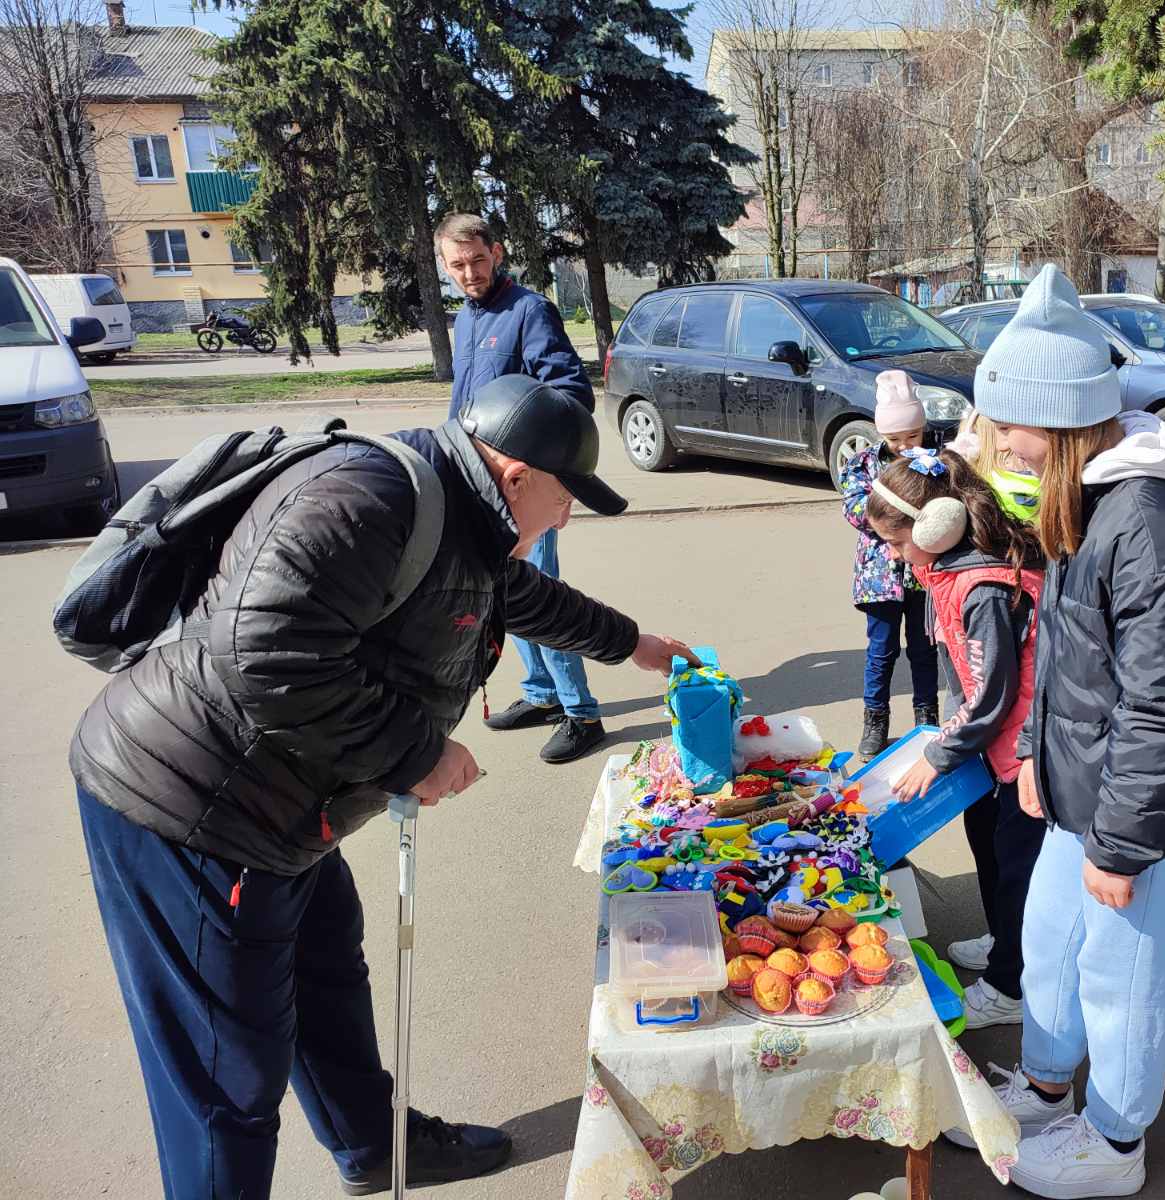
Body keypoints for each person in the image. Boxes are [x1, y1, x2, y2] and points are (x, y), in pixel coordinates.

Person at [71, 374, 698, 1199]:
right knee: (228, 1074)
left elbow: (514, 595)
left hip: (287, 803)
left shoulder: (461, 509)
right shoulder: (368, 498)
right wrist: (417, 755)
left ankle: (374, 1147)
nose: (565, 518)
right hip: (191, 805)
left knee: (328, 972)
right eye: (566, 499)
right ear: (516, 477)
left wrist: (635, 644)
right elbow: (265, 655)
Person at [954, 266, 1165, 1198]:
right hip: (1086, 789)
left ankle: (1116, 1142)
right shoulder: (1084, 506)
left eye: (1008, 429)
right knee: (1051, 939)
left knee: (1124, 976)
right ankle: (1047, 1088)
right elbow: (1068, 659)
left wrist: (1122, 847)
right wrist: (1038, 759)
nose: (998, 448)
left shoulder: (1151, 532)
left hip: (1159, 814)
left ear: (1059, 425)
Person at [866, 448, 1046, 1030]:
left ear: (935, 525)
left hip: (1028, 753)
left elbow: (993, 693)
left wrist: (939, 756)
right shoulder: (947, 569)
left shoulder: (981, 587)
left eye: (897, 543)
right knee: (985, 838)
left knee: (1017, 869)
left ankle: (1011, 987)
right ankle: (1003, 942)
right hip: (992, 746)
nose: (894, 556)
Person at [437, 211, 607, 764]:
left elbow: (570, 392)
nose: (469, 273)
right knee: (501, 594)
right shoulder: (467, 318)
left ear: (498, 253)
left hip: (522, 486)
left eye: (477, 260)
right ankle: (541, 694)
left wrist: (547, 472)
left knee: (537, 594)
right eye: (457, 265)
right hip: (476, 483)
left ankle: (581, 713)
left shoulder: (529, 311)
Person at [840, 369, 942, 758]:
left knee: (924, 648)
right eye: (895, 438)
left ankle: (927, 718)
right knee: (881, 651)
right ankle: (875, 720)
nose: (903, 445)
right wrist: (898, 518)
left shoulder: (935, 462)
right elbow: (854, 508)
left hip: (924, 573)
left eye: (912, 436)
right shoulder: (863, 463)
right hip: (879, 576)